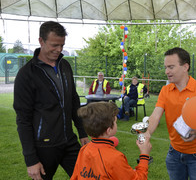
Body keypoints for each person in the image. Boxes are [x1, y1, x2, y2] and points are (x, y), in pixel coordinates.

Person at [13, 21, 89, 180]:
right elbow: (23, 120)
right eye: (54, 45)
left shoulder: (65, 65)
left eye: (62, 45)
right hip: (44, 147)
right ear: (41, 41)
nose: (59, 50)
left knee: (88, 176)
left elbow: (74, 100)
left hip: (69, 141)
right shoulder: (26, 74)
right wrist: (31, 159)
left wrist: (82, 131)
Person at [145, 47, 196, 180]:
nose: (167, 71)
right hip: (174, 153)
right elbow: (155, 115)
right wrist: (148, 132)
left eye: (171, 67)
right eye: (165, 67)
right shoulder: (165, 90)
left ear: (185, 67)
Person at [71, 102, 152, 180]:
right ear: (108, 130)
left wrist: (127, 172)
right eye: (115, 122)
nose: (116, 124)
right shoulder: (115, 158)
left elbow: (75, 176)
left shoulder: (84, 149)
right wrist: (144, 156)